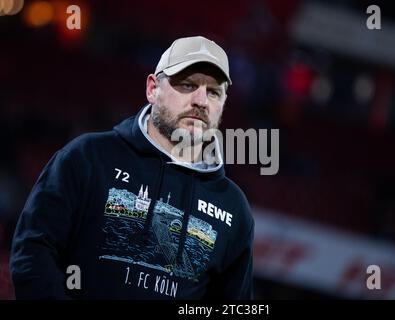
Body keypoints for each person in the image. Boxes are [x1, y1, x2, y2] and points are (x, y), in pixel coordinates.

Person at [10, 36, 254, 300]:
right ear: (152, 88)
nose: (201, 101)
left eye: (213, 92)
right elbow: (33, 255)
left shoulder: (234, 207)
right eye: (187, 84)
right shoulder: (87, 157)